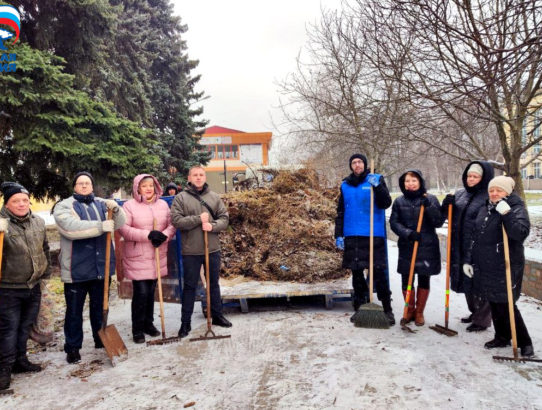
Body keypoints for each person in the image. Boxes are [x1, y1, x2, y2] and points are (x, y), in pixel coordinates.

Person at [53, 172, 125, 364]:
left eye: (87, 183)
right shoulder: (64, 206)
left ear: (92, 186)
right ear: (74, 186)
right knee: (74, 311)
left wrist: (117, 210)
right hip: (77, 269)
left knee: (99, 307)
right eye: (80, 183)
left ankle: (100, 338)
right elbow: (71, 228)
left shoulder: (102, 204)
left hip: (100, 267)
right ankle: (73, 347)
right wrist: (101, 226)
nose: (84, 186)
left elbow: (119, 224)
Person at [464, 176, 534, 357]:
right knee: (494, 301)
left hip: (506, 263)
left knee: (507, 302)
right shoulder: (485, 208)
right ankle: (502, 336)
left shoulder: (516, 208)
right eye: (491, 190)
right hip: (487, 264)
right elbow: (475, 236)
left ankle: (525, 342)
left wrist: (507, 214)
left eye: (499, 190)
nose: (494, 193)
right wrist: (469, 260)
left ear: (508, 192)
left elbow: (520, 233)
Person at [0, 182, 51, 392]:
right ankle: (3, 370)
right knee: (7, 331)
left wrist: (45, 274)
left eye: (24, 200)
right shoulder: (1, 224)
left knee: (25, 326)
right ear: (7, 203)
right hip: (8, 287)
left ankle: (20, 361)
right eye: (16, 201)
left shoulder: (38, 221)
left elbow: (45, 248)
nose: (21, 204)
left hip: (33, 285)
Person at [171, 165, 231, 338]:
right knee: (190, 286)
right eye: (195, 175)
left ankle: (217, 315)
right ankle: (185, 323)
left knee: (213, 283)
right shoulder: (181, 198)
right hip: (191, 250)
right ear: (189, 178)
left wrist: (212, 226)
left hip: (212, 248)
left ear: (205, 177)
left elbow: (224, 219)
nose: (198, 177)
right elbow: (176, 221)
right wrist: (198, 219)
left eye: (201, 175)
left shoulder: (214, 197)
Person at [335, 154, 395, 325]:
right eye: (353, 162)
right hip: (352, 234)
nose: (357, 164)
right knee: (356, 273)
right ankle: (361, 307)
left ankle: (387, 309)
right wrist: (338, 234)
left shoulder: (375, 179)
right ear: (351, 166)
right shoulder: (345, 185)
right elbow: (340, 212)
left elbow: (385, 203)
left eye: (360, 162)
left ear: (365, 164)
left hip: (372, 234)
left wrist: (378, 187)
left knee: (378, 272)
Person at [118, 175, 175, 344]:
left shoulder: (163, 205)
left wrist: (163, 236)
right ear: (137, 188)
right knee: (141, 292)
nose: (149, 188)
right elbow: (123, 228)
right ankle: (137, 328)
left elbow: (172, 224)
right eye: (144, 186)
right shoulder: (129, 206)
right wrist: (148, 235)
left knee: (150, 292)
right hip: (138, 256)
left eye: (151, 185)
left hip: (157, 254)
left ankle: (148, 324)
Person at [440, 161, 494, 332]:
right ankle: (475, 312)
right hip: (459, 245)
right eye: (469, 176)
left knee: (480, 283)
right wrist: (446, 205)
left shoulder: (488, 196)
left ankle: (482, 319)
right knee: (466, 281)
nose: (471, 179)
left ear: (484, 178)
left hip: (479, 247)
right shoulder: (461, 194)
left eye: (475, 176)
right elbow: (445, 217)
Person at [389, 170, 444, 326]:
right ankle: (409, 310)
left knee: (424, 278)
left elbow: (438, 221)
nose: (410, 184)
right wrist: (408, 233)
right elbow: (394, 223)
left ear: (420, 182)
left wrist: (429, 207)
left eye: (414, 180)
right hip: (407, 245)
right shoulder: (399, 201)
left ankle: (419, 312)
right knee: (407, 278)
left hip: (426, 246)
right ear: (403, 183)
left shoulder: (430, 199)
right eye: (407, 181)